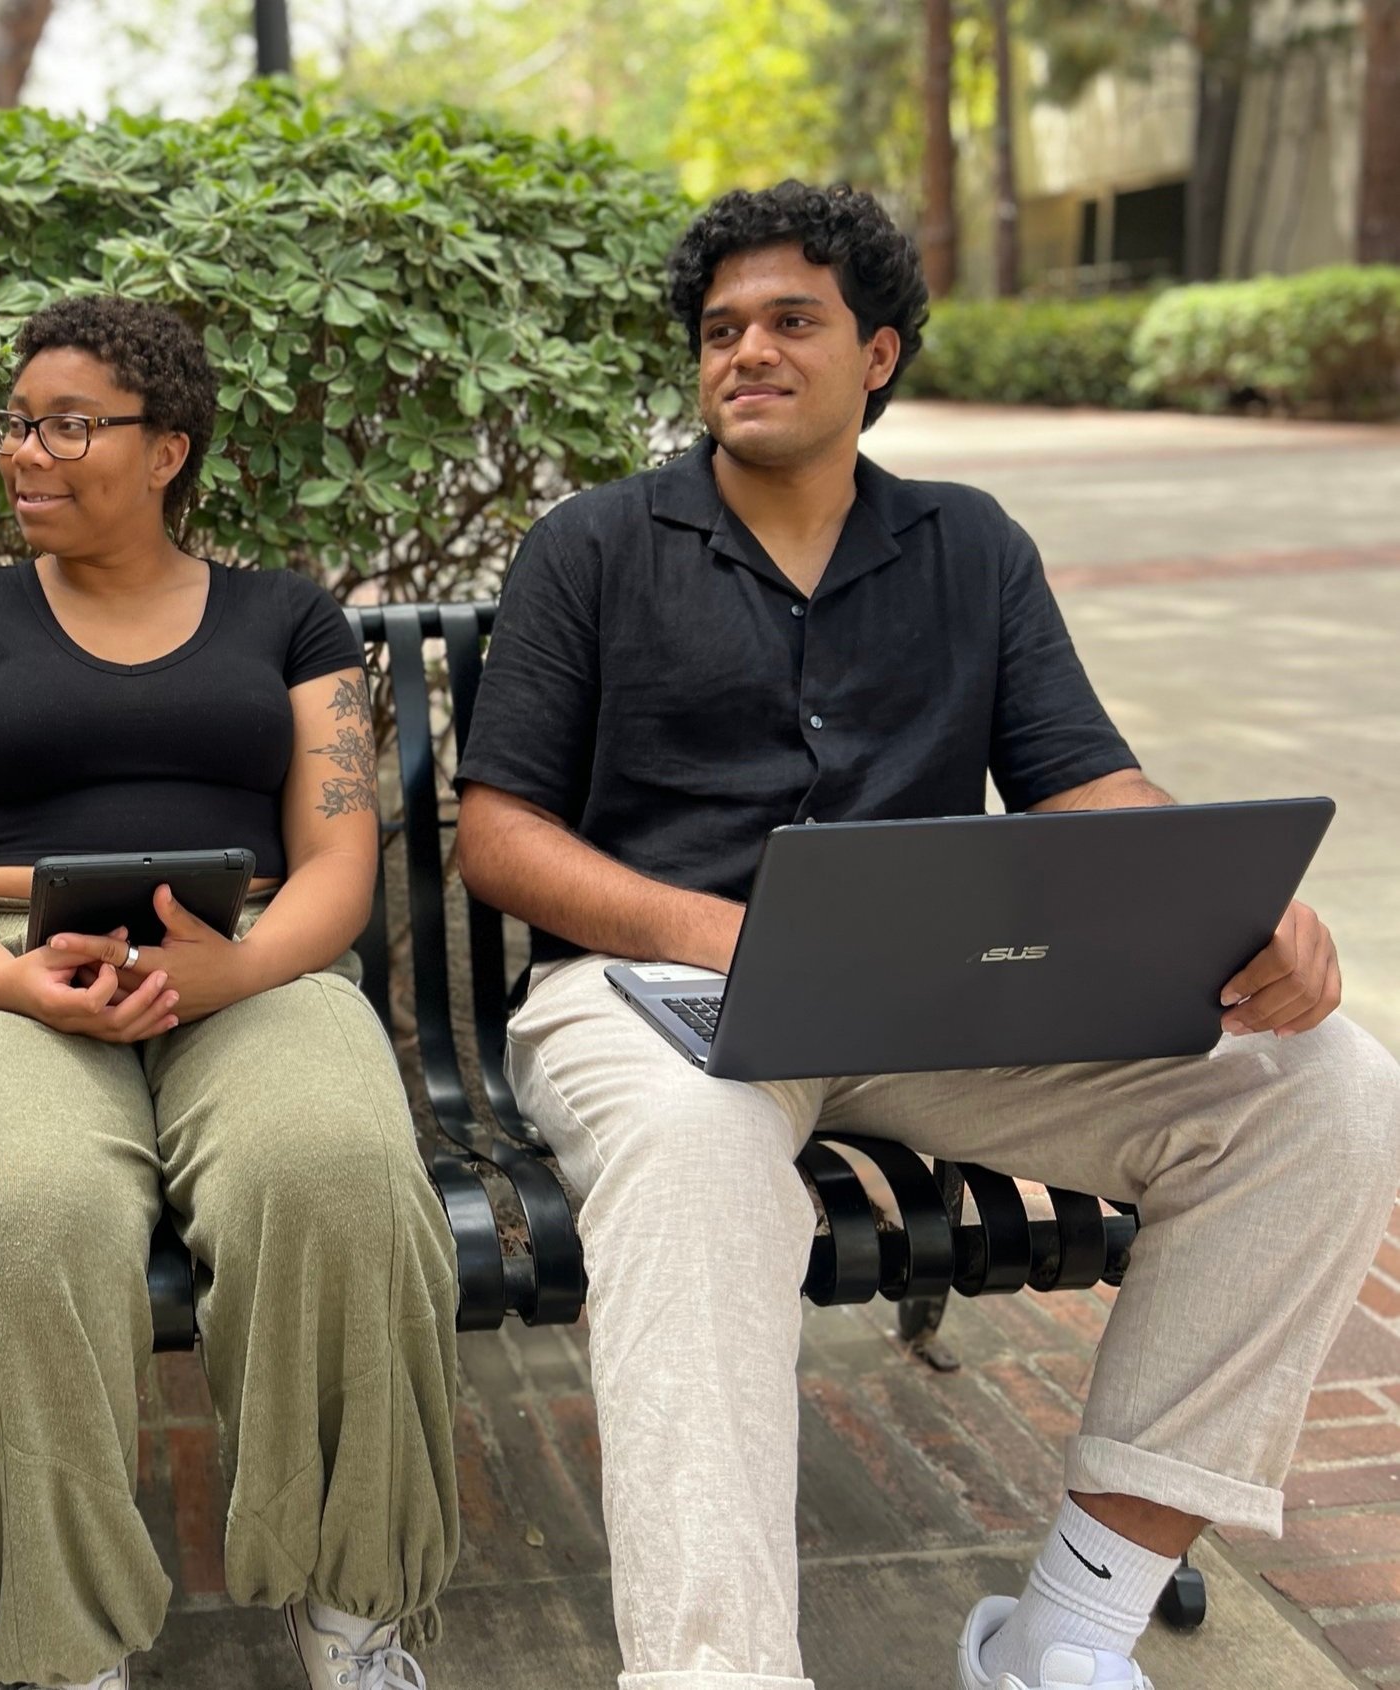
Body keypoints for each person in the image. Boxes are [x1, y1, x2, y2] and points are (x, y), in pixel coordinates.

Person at [452, 180, 1400, 1690]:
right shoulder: (595, 546)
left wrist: (1230, 908)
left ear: (878, 355)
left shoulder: (969, 543)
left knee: (1333, 1087)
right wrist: (729, 933)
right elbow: (497, 837)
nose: (744, 351)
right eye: (719, 329)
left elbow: (1086, 782)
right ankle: (717, 1673)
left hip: (923, 1007)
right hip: (648, 1000)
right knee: (701, 1159)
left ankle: (1067, 1630)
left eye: (789, 321)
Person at [0, 295, 460, 1690]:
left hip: (256, 961)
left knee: (332, 1168)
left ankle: (353, 1608)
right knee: (18, 1209)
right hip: (14, 972)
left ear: (168, 448)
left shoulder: (291, 616)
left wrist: (237, 964)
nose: (25, 451)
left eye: (67, 424)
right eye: (15, 422)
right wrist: (17, 984)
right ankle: (61, 1646)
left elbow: (339, 854)